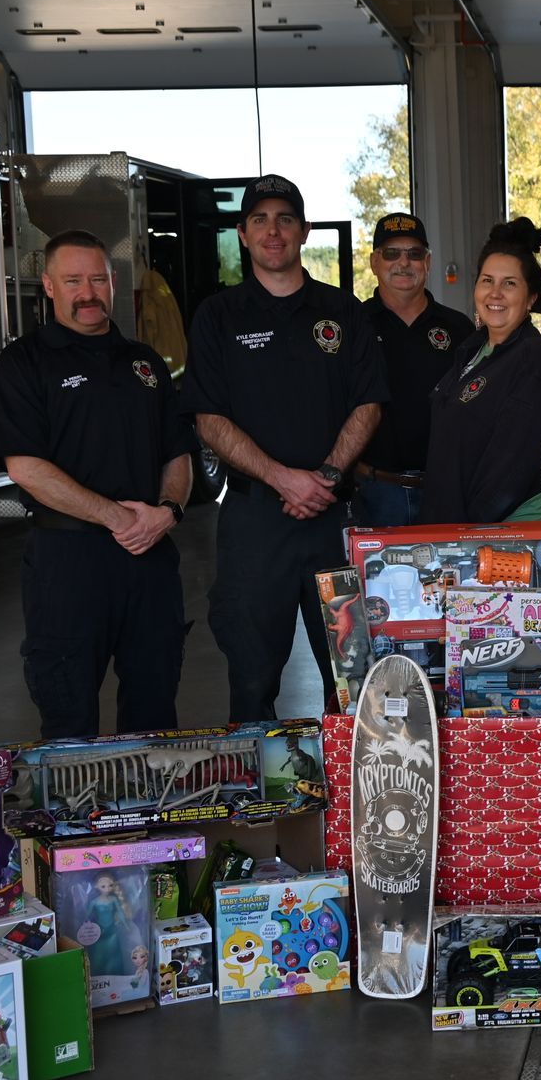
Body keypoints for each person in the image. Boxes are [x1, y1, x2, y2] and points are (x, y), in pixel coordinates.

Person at [180, 174, 387, 722]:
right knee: (251, 674)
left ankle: (349, 795)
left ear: (304, 231)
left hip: (334, 519)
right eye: (261, 220)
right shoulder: (217, 317)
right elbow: (207, 418)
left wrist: (323, 476)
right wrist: (282, 478)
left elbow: (368, 403)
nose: (274, 231)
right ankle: (263, 803)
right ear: (244, 235)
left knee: (351, 671)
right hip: (254, 523)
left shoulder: (343, 313)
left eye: (286, 219)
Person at [0, 228, 193, 740]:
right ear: (49, 286)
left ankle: (152, 817)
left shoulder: (145, 363)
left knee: (154, 707)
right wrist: (119, 517)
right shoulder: (24, 363)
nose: (87, 293)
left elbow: (179, 453)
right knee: (68, 714)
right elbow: (25, 468)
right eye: (73, 280)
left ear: (113, 281)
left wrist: (168, 511)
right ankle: (79, 817)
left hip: (150, 561)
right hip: (68, 564)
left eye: (97, 279)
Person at [418, 219, 541, 524]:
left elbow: (511, 465)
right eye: (487, 280)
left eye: (509, 283)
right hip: (464, 524)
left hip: (508, 528)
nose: (495, 293)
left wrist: (464, 533)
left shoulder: (532, 357)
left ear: (531, 297)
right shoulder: (472, 350)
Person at [353, 211, 474, 528]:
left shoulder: (459, 328)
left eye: (414, 254)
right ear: (374, 262)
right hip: (374, 493)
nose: (403, 263)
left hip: (446, 492)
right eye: (391, 253)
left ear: (428, 262)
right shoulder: (353, 325)